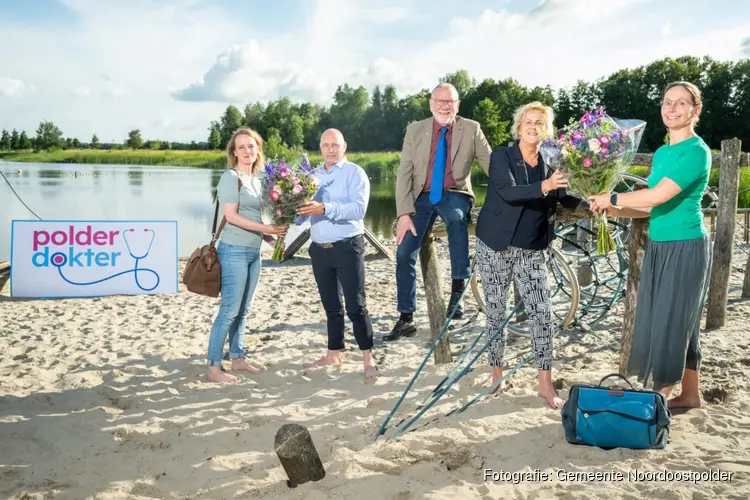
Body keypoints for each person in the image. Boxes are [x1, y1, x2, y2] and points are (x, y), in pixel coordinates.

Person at [589, 81, 711, 410]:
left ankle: (656, 402)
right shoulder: (662, 153)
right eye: (667, 102)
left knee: (672, 320)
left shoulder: (697, 151)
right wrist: (613, 208)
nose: (671, 108)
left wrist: (612, 195)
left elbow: (659, 195)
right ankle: (690, 395)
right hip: (659, 245)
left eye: (680, 103)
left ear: (694, 110)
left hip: (686, 246)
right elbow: (650, 207)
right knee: (675, 318)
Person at [474, 101, 580, 409]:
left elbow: (565, 197)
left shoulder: (553, 160)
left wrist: (595, 194)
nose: (533, 126)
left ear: (547, 130)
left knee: (542, 314)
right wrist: (545, 185)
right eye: (528, 122)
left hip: (533, 248)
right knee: (496, 312)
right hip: (495, 246)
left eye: (540, 123)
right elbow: (508, 191)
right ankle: (497, 375)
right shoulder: (501, 156)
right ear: (519, 127)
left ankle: (545, 385)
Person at [386, 82, 492, 341]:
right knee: (404, 251)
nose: (445, 106)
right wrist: (403, 214)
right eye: (440, 101)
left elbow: (493, 165)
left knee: (456, 221)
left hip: (455, 193)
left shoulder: (472, 129)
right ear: (431, 103)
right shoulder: (415, 130)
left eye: (450, 102)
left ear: (458, 104)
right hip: (420, 197)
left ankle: (458, 293)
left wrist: (514, 189)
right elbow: (404, 174)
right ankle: (406, 317)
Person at [296, 128, 380, 379]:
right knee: (331, 306)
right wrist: (291, 210)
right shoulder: (311, 176)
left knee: (356, 306)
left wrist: (324, 207)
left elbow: (358, 209)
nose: (330, 149)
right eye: (325, 145)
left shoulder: (356, 173)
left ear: (344, 145)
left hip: (347, 246)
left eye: (335, 144)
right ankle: (333, 353)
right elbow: (301, 216)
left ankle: (368, 358)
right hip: (319, 249)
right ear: (320, 148)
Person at [207, 127, 288, 383]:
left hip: (254, 252)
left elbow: (254, 216)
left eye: (251, 146)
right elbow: (231, 217)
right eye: (241, 147)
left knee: (244, 310)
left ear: (257, 150)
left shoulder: (259, 179)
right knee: (229, 310)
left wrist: (271, 237)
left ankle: (238, 358)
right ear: (234, 152)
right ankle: (214, 368)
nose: (246, 151)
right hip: (233, 251)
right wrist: (267, 228)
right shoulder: (231, 177)